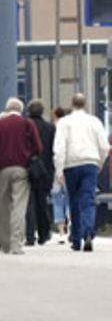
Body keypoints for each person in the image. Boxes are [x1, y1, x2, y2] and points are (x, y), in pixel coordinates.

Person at [0, 98, 42, 255]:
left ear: (7, 109)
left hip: (2, 171)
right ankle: (16, 244)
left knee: (3, 207)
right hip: (21, 169)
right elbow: (38, 147)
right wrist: (28, 155)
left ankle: (5, 244)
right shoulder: (27, 124)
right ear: (21, 109)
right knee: (19, 207)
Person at [53, 93, 110, 253]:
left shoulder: (64, 122)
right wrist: (99, 163)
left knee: (74, 200)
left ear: (72, 105)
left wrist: (59, 170)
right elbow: (104, 146)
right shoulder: (94, 122)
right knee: (88, 200)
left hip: (71, 165)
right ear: (85, 105)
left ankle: (76, 238)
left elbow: (59, 148)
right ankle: (88, 232)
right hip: (90, 163)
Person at [25, 100, 56, 246]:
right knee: (41, 202)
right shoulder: (50, 128)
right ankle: (44, 233)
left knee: (28, 202)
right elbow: (53, 150)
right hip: (45, 170)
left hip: (28, 167)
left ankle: (29, 234)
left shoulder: (24, 126)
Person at [50, 107, 71, 244]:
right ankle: (72, 228)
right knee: (71, 198)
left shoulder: (54, 129)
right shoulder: (72, 129)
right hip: (70, 166)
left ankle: (61, 232)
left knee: (57, 199)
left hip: (56, 166)